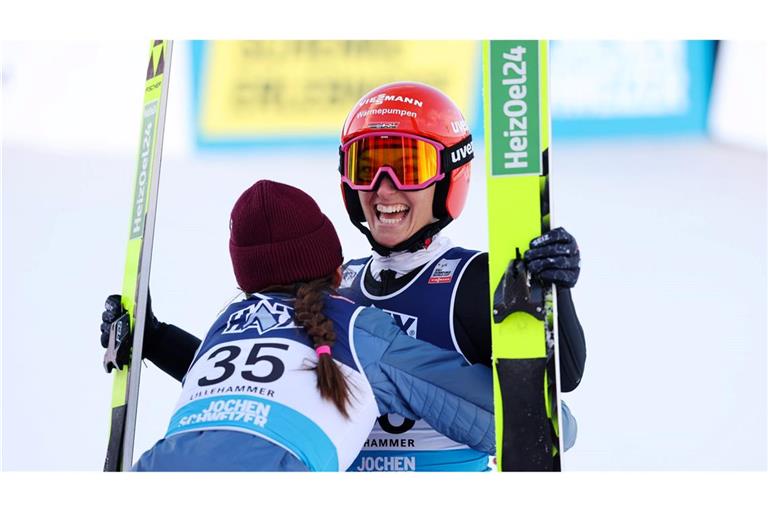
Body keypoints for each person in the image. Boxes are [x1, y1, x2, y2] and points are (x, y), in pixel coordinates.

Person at [101, 81, 586, 472]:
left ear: (447, 176)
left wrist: (554, 293)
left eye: (408, 167)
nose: (383, 189)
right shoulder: (337, 286)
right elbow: (260, 387)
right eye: (367, 166)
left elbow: (561, 383)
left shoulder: (469, 278)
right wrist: (155, 338)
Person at [132, 180, 495, 471]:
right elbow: (492, 419)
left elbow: (246, 395)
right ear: (337, 272)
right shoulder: (358, 331)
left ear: (245, 281)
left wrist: (155, 339)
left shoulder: (227, 323)